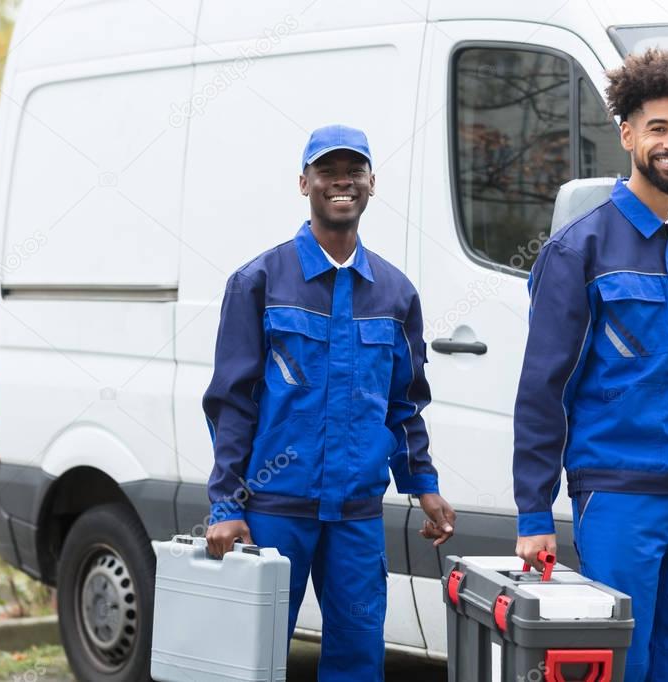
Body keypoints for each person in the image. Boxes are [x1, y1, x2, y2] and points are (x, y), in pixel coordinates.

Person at [512, 49, 668, 681]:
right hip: (620, 500)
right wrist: (535, 514)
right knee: (621, 663)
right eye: (659, 128)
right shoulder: (580, 248)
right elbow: (544, 391)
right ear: (627, 134)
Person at [203, 124, 455, 681]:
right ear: (304, 183)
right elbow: (231, 404)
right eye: (327, 172)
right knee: (250, 661)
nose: (341, 182)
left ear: (371, 184)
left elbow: (404, 404)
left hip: (356, 519)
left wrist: (423, 484)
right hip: (273, 512)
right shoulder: (260, 281)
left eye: (353, 171)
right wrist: (227, 506)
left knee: (358, 659)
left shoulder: (395, 292)